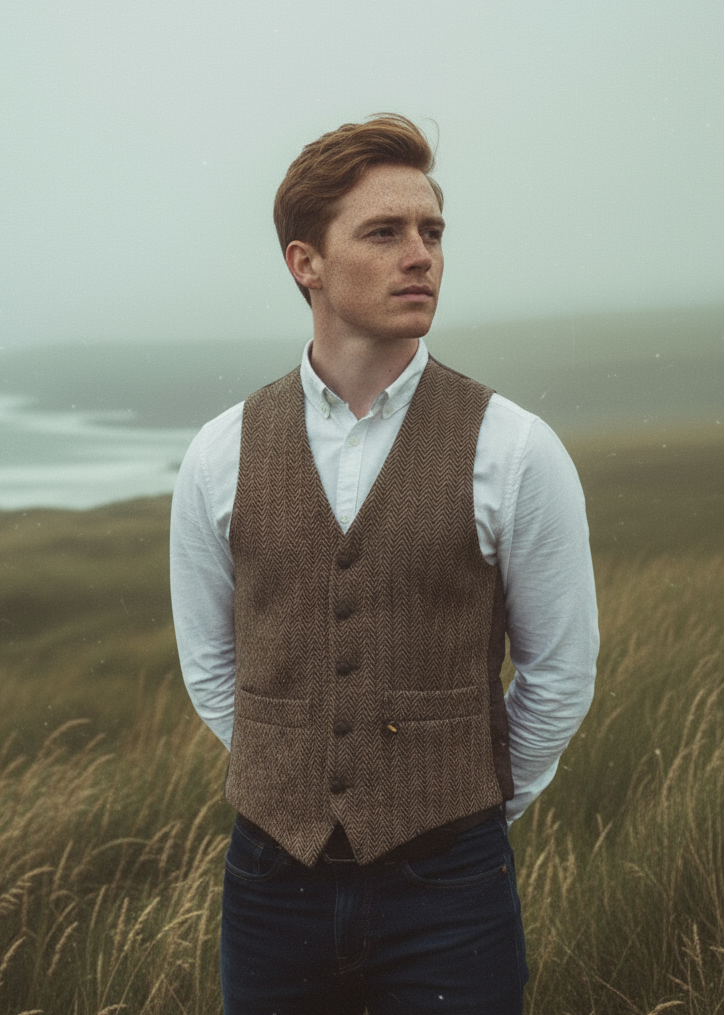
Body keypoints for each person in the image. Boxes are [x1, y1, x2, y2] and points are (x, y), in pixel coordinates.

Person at [169, 113, 599, 1015]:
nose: (421, 255)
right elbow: (213, 668)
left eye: (431, 232)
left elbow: (560, 672)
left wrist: (464, 804)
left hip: (451, 887)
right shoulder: (221, 453)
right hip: (267, 881)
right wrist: (292, 779)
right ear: (305, 263)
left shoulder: (514, 448)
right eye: (384, 232)